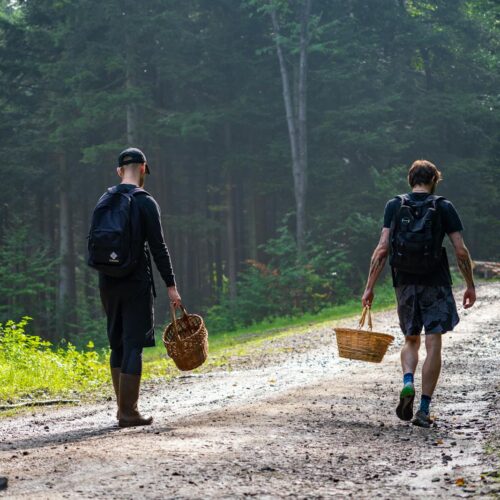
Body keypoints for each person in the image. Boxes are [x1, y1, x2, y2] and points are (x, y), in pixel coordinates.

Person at [361, 160, 476, 428]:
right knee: (433, 343)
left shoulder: (395, 205)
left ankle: (408, 381)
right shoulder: (443, 206)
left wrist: (369, 287)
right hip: (435, 282)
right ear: (434, 180)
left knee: (411, 339)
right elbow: (460, 250)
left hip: (404, 282)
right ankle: (423, 410)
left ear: (410, 179)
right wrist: (469, 284)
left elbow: (381, 250)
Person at [92, 147, 181, 427]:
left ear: (120, 171)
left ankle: (122, 410)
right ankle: (128, 413)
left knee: (116, 343)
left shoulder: (104, 198)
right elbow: (158, 247)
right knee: (133, 346)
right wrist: (171, 285)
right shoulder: (145, 202)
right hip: (135, 282)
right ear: (143, 168)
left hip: (107, 280)